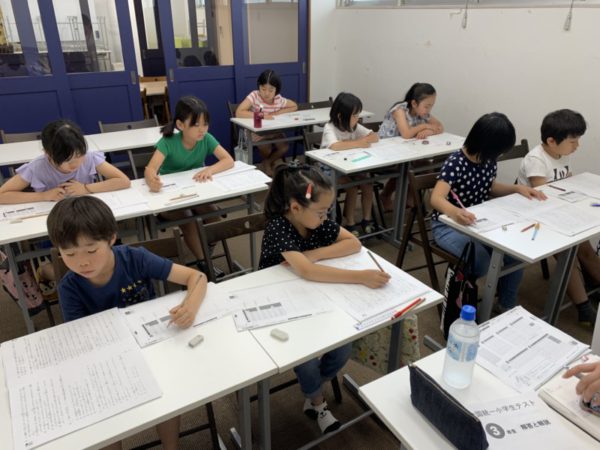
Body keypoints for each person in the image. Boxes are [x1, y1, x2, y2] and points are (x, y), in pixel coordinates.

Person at [47, 196, 207, 450]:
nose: (82, 262)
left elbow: (197, 277)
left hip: (151, 347)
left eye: (91, 250)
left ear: (111, 238)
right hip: (108, 360)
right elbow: (78, 339)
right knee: (104, 415)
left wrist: (190, 306)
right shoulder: (70, 287)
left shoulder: (135, 259)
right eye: (69, 254)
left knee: (166, 396)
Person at [259, 163, 390, 434]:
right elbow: (307, 272)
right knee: (306, 357)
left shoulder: (316, 223)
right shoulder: (278, 227)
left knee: (343, 346)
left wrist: (314, 254)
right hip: (279, 304)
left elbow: (353, 243)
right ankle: (317, 402)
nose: (325, 217)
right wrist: (360, 276)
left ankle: (312, 389)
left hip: (314, 297)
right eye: (321, 212)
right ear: (296, 208)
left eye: (327, 211)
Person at [430, 112, 546, 313]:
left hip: (478, 221)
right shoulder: (455, 162)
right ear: (485, 144)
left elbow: (490, 187)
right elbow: (436, 198)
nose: (498, 156)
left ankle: (506, 305)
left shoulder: (488, 160)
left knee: (516, 255)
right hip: (447, 224)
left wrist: (517, 188)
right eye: (498, 151)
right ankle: (461, 295)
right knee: (481, 261)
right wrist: (456, 212)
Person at [517, 109, 598, 325]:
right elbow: (544, 195)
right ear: (552, 141)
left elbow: (567, 183)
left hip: (558, 212)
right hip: (535, 217)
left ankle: (594, 284)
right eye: (573, 141)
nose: (577, 146)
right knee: (567, 255)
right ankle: (583, 307)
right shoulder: (536, 159)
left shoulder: (562, 154)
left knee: (586, 249)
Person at [144, 95, 234, 266]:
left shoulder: (206, 139)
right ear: (180, 125)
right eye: (196, 125)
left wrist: (210, 169)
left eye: (205, 124)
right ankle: (204, 262)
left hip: (195, 191)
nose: (202, 130)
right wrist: (152, 181)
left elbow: (228, 160)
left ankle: (205, 249)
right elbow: (150, 169)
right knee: (188, 220)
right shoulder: (168, 141)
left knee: (213, 216)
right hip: (170, 195)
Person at [0, 119, 130, 204]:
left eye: (79, 155)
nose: (75, 164)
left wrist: (86, 188)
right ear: (48, 154)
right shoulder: (37, 167)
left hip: (85, 209)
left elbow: (123, 181)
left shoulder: (89, 157)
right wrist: (44, 196)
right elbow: (2, 195)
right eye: (67, 160)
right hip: (56, 216)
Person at [378, 83, 444, 211]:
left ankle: (411, 197)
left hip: (405, 152)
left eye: (431, 106)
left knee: (424, 165)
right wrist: (424, 126)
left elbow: (440, 127)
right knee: (407, 167)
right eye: (426, 106)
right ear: (414, 103)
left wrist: (429, 131)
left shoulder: (422, 112)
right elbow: (406, 134)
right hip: (384, 153)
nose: (429, 110)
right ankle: (386, 195)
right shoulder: (399, 110)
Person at [320, 92, 379, 236]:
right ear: (341, 116)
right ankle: (350, 222)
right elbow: (335, 146)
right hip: (330, 169)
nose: (357, 119)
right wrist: (358, 142)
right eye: (354, 115)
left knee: (367, 184)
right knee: (352, 187)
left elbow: (374, 136)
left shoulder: (353, 126)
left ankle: (367, 219)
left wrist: (353, 142)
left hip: (351, 166)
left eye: (358, 115)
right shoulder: (330, 127)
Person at [235, 69, 298, 176]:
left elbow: (294, 106)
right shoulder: (254, 96)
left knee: (284, 146)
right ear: (259, 87)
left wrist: (277, 112)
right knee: (266, 148)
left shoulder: (278, 99)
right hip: (256, 131)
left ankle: (267, 162)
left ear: (276, 90)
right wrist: (263, 116)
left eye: (271, 90)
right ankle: (268, 164)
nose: (266, 93)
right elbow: (239, 112)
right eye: (263, 89)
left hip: (273, 131)